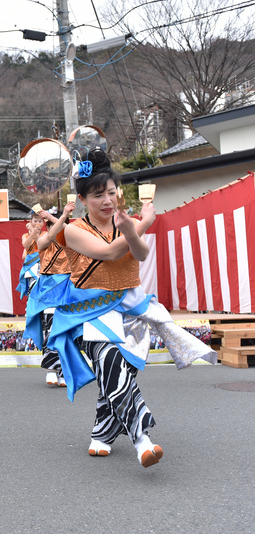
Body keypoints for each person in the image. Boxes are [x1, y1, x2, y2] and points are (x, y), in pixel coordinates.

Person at [49, 149, 217, 468]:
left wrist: (134, 229)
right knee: (111, 364)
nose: (107, 199)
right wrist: (141, 225)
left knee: (118, 373)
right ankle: (143, 441)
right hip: (89, 314)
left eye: (112, 192)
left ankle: (102, 432)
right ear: (83, 199)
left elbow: (139, 254)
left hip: (130, 309)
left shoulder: (125, 222)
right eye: (98, 194)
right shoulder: (72, 230)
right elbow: (110, 253)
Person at [23, 203, 75, 387]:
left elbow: (71, 231)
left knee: (66, 330)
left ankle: (62, 370)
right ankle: (52, 368)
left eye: (60, 225)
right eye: (52, 225)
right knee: (50, 327)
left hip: (67, 290)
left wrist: (61, 219)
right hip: (48, 288)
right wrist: (60, 218)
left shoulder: (71, 242)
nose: (56, 228)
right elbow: (52, 236)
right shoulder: (43, 239)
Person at [16, 210, 43, 298]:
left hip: (43, 264)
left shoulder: (45, 234)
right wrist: (32, 233)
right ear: (30, 222)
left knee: (42, 288)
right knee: (32, 288)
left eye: (40, 221)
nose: (37, 223)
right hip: (31, 265)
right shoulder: (25, 236)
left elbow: (42, 244)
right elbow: (25, 245)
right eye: (35, 221)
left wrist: (34, 232)